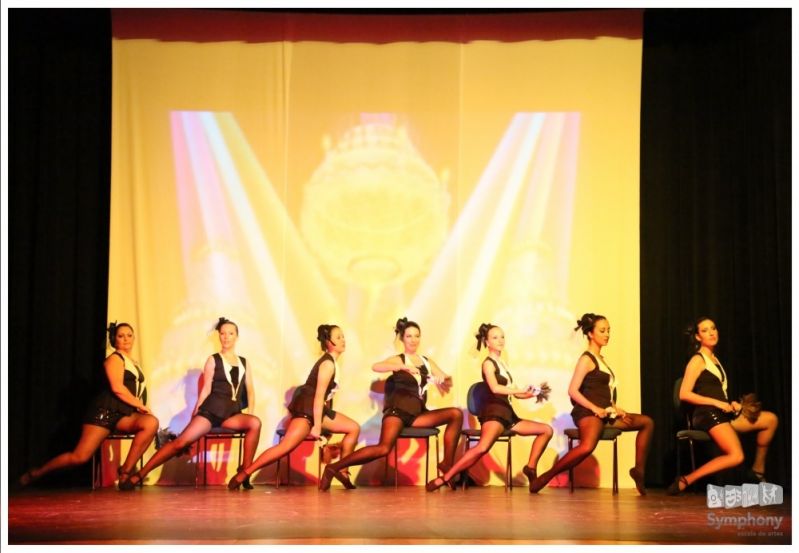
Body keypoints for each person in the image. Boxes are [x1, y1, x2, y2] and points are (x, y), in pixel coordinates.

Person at [319, 317, 463, 490]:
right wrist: (402, 367)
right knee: (383, 448)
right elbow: (376, 366)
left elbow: (445, 380)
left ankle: (446, 464)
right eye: (409, 336)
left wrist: (443, 381)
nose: (413, 340)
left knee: (456, 414)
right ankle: (334, 468)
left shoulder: (426, 361)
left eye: (417, 336)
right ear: (402, 339)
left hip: (418, 414)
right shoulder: (398, 359)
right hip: (398, 412)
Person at [121, 317, 261, 489]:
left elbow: (251, 390)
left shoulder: (244, 362)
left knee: (255, 422)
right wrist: (196, 412)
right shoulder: (213, 359)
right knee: (180, 443)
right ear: (219, 336)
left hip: (231, 413)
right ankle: (140, 474)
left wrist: (250, 412)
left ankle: (244, 473)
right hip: (211, 412)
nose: (226, 337)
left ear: (236, 336)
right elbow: (206, 389)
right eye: (223, 333)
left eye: (230, 333)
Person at [18, 322, 159, 490]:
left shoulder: (133, 362)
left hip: (122, 414)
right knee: (79, 457)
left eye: (129, 335)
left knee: (150, 423)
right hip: (104, 412)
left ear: (134, 337)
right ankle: (38, 473)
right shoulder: (115, 359)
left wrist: (139, 406)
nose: (126, 339)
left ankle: (125, 471)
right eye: (121, 336)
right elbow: (117, 388)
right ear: (114, 340)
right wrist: (140, 405)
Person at [529, 313, 654, 495]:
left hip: (604, 413)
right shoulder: (586, 359)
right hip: (587, 412)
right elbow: (573, 390)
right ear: (590, 334)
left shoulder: (603, 360)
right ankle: (547, 476)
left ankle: (639, 470)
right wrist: (595, 408)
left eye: (609, 331)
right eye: (602, 331)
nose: (607, 334)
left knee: (647, 422)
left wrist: (614, 408)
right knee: (587, 446)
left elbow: (603, 391)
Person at [228, 324, 360, 489]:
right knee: (285, 447)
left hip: (317, 410)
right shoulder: (328, 364)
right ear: (329, 342)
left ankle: (343, 471)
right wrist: (318, 426)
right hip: (307, 410)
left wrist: (325, 430)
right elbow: (318, 397)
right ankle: (245, 473)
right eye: (338, 337)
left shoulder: (333, 362)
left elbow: (325, 399)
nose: (343, 340)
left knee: (353, 428)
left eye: (343, 336)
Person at [426, 323, 554, 491]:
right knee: (483, 447)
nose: (500, 340)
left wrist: (528, 394)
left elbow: (513, 393)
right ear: (487, 342)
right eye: (495, 337)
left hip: (508, 415)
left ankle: (530, 467)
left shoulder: (503, 363)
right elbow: (495, 388)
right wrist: (518, 390)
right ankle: (446, 477)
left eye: (502, 337)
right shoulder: (488, 364)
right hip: (494, 413)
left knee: (546, 430)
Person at [667, 316, 779, 494]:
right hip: (706, 414)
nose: (711, 333)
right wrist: (718, 403)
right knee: (736, 455)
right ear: (697, 337)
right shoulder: (697, 360)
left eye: (713, 328)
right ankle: (686, 480)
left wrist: (731, 404)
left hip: (721, 413)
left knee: (770, 420)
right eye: (705, 330)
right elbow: (684, 394)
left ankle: (757, 471)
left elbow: (716, 392)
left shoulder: (715, 360)